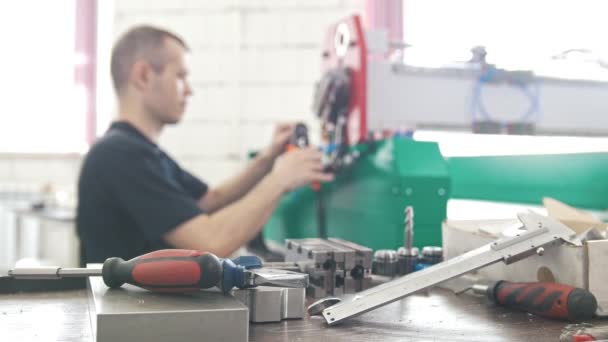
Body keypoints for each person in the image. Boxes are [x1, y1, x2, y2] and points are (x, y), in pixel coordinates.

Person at [76, 25, 333, 264]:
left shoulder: (140, 150)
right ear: (143, 75)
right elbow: (210, 242)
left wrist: (265, 161)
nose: (188, 90)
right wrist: (279, 180)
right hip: (129, 310)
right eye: (180, 76)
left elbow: (210, 199)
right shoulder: (120, 155)